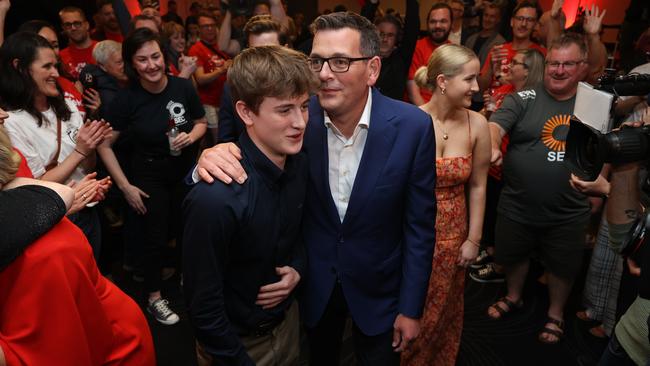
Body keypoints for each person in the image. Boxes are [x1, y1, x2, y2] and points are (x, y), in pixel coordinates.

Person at [194, 11, 437, 366]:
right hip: (313, 287)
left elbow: (419, 227)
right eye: (318, 61)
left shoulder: (413, 127)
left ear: (372, 69)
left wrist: (411, 308)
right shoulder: (296, 118)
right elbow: (249, 154)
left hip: (380, 291)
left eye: (339, 62)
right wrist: (204, 161)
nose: (323, 74)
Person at [184, 45, 318, 366]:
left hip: (287, 328)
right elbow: (203, 305)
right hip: (235, 348)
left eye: (304, 106)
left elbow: (300, 230)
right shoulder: (216, 196)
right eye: (285, 110)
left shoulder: (298, 164)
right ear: (245, 112)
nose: (300, 122)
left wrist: (298, 267)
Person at [0, 113, 155, 366]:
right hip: (106, 344)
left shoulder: (12, 165)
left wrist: (55, 205)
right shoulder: (41, 255)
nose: (3, 113)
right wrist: (52, 205)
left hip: (119, 344)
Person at [487, 33, 592, 344]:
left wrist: (601, 190)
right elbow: (495, 124)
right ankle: (514, 296)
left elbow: (604, 149)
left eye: (567, 64)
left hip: (569, 209)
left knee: (563, 266)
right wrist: (493, 144)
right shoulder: (524, 98)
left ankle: (556, 314)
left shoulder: (593, 104)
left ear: (583, 67)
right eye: (553, 63)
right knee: (514, 254)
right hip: (517, 204)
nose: (558, 70)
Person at [98, 28, 207, 325]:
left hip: (185, 172)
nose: (152, 65)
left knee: (188, 231)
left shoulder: (183, 87)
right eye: (142, 60)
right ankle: (153, 297)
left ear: (164, 55)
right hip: (149, 174)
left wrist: (191, 137)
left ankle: (188, 282)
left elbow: (200, 122)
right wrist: (125, 186)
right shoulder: (127, 99)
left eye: (156, 56)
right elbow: (105, 145)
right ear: (133, 65)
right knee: (154, 239)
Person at [402, 44, 490, 366]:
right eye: (469, 79)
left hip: (454, 235)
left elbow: (479, 186)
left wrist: (474, 240)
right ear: (442, 81)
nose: (476, 87)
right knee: (410, 306)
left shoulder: (476, 124)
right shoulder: (411, 121)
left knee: (443, 309)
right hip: (410, 233)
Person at [0, 32, 112, 259]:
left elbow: (86, 166)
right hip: (56, 218)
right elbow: (33, 186)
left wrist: (91, 176)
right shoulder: (11, 121)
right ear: (20, 67)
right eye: (47, 66)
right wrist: (80, 151)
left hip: (88, 211)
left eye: (56, 65)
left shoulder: (68, 106)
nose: (55, 73)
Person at [469, 48, 545, 283]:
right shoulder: (504, 90)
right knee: (492, 212)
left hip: (512, 171)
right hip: (492, 164)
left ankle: (500, 265)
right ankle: (491, 251)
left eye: (516, 63)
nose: (509, 66)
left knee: (507, 223)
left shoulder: (535, 101)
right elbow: (486, 118)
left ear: (529, 71)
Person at [218, 15, 285, 143]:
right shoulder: (233, 88)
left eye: (271, 50)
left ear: (285, 49)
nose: (263, 58)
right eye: (256, 51)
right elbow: (226, 141)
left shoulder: (300, 87)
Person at [478, 1, 545, 97]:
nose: (523, 24)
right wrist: (491, 68)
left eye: (529, 20)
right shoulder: (498, 50)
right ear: (512, 21)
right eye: (520, 18)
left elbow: (537, 92)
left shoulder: (540, 54)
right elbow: (481, 88)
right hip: (492, 107)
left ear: (535, 24)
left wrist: (499, 76)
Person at [361, 0, 420, 101]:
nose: (384, 39)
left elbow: (412, 28)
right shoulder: (364, 56)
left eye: (390, 35)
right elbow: (361, 27)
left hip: (391, 114)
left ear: (397, 38)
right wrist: (373, 2)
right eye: (381, 34)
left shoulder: (401, 58)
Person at [188, 13, 232, 144]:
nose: (210, 29)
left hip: (226, 100)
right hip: (209, 102)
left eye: (212, 25)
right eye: (205, 26)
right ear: (199, 29)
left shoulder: (223, 44)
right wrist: (222, 70)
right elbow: (200, 79)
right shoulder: (196, 50)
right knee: (218, 140)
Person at [407, 2, 452, 105]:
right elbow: (413, 92)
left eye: (443, 21)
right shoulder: (417, 47)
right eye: (433, 22)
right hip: (420, 110)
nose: (437, 26)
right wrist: (430, 118)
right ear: (427, 24)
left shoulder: (454, 51)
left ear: (451, 23)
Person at [463, 2, 506, 110]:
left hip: (483, 98)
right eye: (486, 15)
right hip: (464, 91)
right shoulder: (470, 39)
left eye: (492, 16)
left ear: (498, 19)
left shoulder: (500, 44)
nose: (487, 19)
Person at [59, 6, 98, 80]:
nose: (73, 28)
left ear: (87, 25)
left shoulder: (104, 49)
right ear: (63, 28)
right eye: (68, 25)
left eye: (77, 23)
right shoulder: (61, 57)